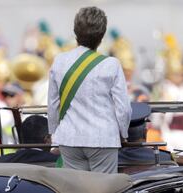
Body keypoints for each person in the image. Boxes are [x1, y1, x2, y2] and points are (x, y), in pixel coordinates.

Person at [48, 6, 132, 174]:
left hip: (69, 138)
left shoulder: (59, 61)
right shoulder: (111, 64)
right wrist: (124, 133)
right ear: (102, 36)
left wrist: (54, 135)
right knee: (104, 188)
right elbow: (123, 108)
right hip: (103, 139)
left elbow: (53, 106)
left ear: (75, 32)